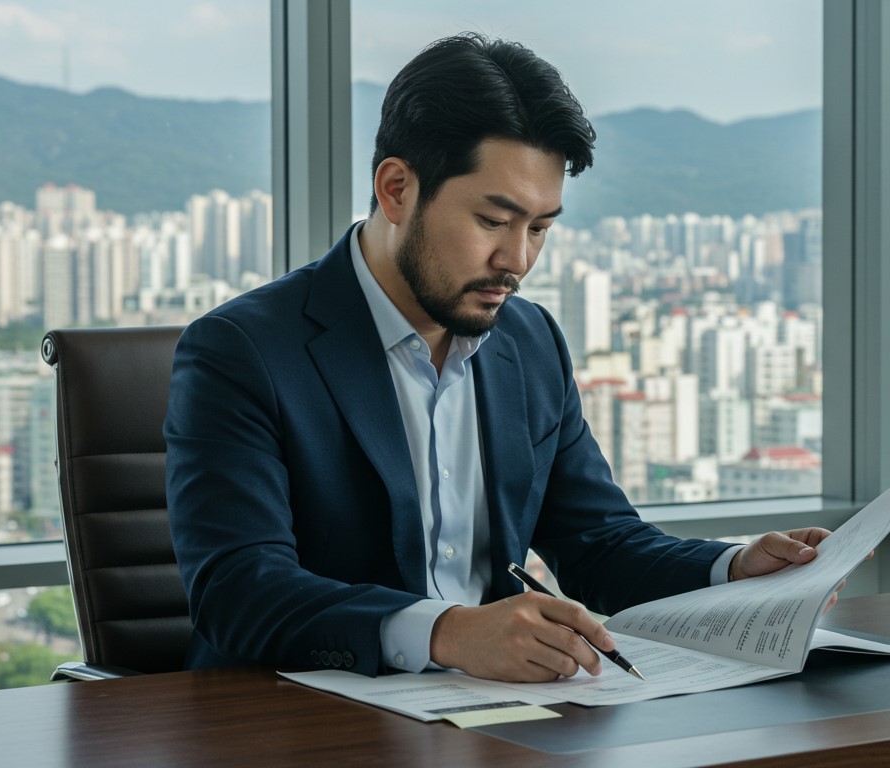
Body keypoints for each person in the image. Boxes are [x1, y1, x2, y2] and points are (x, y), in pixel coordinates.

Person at [165, 32, 835, 683]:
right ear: (396, 189)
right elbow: (239, 591)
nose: (516, 260)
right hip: (292, 726)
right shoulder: (243, 351)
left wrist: (734, 570)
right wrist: (448, 632)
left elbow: (599, 544)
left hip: (491, 717)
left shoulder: (529, 341)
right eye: (492, 220)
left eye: (540, 227)